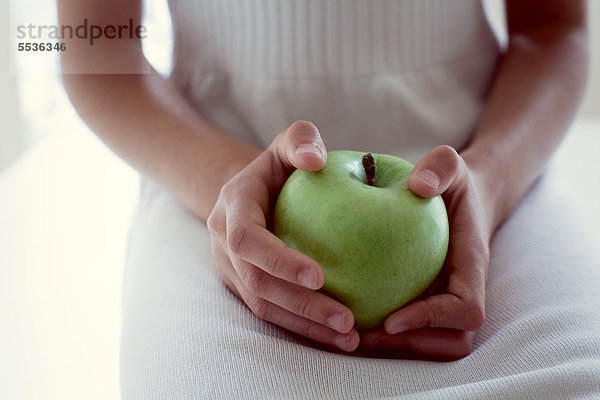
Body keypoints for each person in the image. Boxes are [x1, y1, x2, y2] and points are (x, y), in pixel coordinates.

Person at [59, 0, 599, 398]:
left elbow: (553, 28)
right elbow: (94, 45)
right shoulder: (228, 186)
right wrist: (234, 182)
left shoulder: (483, 180)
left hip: (478, 167)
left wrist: (491, 180)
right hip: (217, 178)